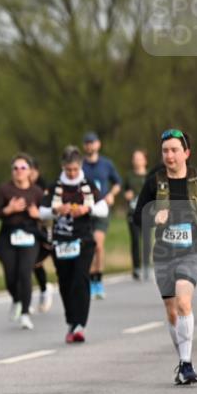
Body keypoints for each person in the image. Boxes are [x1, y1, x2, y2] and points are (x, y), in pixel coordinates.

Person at [132, 129, 197, 385]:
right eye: (165, 150)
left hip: (193, 249)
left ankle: (186, 364)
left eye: (175, 150)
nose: (169, 155)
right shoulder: (154, 182)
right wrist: (153, 216)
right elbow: (137, 217)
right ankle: (182, 361)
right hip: (164, 253)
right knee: (172, 311)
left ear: (186, 153)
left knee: (183, 302)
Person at [39, 146, 108, 343]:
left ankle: (80, 325)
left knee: (80, 279)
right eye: (68, 169)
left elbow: (104, 209)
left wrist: (87, 209)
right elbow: (41, 211)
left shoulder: (87, 185)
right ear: (63, 167)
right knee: (65, 282)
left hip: (83, 240)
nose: (71, 173)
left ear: (80, 166)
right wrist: (56, 210)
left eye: (75, 169)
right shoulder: (55, 187)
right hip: (61, 241)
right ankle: (71, 321)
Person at [0, 154, 45, 329]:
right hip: (8, 235)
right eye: (15, 168)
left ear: (29, 171)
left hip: (30, 235)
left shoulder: (37, 192)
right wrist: (9, 209)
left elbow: (47, 215)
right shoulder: (4, 189)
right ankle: (16, 299)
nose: (19, 171)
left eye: (23, 168)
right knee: (10, 275)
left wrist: (38, 214)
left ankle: (25, 313)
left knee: (25, 272)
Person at [82, 132, 122, 299]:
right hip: (85, 210)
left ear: (98, 144)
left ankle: (98, 280)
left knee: (98, 245)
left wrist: (111, 194)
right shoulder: (80, 165)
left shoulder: (106, 164)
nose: (90, 146)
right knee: (88, 247)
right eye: (87, 143)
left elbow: (118, 183)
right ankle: (90, 280)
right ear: (84, 146)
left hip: (102, 208)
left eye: (92, 142)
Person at [28, 157, 54, 314]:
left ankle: (45, 290)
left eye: (31, 171)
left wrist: (38, 214)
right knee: (30, 263)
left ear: (37, 171)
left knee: (35, 262)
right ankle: (28, 297)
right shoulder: (23, 186)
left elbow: (51, 211)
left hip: (45, 230)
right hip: (29, 230)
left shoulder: (44, 187)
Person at [124, 149, 152, 281]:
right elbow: (125, 191)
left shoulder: (150, 176)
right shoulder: (129, 176)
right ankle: (136, 267)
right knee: (135, 240)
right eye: (135, 158)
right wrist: (127, 195)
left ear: (145, 160)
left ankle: (146, 265)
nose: (137, 161)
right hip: (132, 212)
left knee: (146, 240)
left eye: (139, 158)